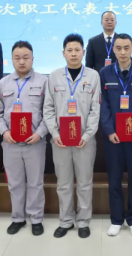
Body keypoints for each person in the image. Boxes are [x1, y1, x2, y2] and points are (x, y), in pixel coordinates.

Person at [43, 33, 101, 239]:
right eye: (70, 50)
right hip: (60, 141)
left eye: (77, 50)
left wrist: (87, 135)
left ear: (83, 52)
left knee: (84, 183)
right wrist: (54, 133)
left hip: (85, 141)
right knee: (64, 183)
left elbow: (95, 110)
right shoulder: (54, 76)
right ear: (63, 53)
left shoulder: (93, 76)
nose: (74, 54)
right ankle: (66, 221)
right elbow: (48, 108)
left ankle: (83, 221)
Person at [99, 33, 132, 238]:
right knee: (114, 179)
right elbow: (103, 105)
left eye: (126, 48)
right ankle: (116, 220)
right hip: (113, 138)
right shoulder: (105, 73)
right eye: (118, 48)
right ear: (113, 50)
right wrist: (109, 130)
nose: (122, 52)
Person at [0, 41, 48, 236]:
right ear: (11, 60)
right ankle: (18, 218)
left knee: (35, 183)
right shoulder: (3, 83)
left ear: (33, 59)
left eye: (26, 57)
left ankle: (36, 218)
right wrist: (4, 132)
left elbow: (49, 112)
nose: (22, 61)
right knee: (15, 183)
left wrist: (40, 133)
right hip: (10, 143)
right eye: (17, 58)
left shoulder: (44, 81)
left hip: (35, 142)